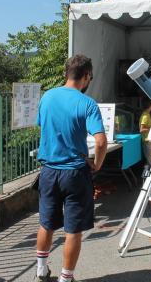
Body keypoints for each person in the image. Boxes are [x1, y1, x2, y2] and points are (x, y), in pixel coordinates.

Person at [34, 54, 107, 282]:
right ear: (86, 76)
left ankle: (41, 270)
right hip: (75, 172)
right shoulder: (87, 103)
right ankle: (66, 278)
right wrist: (96, 164)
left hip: (48, 171)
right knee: (72, 229)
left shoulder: (47, 97)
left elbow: (42, 125)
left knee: (46, 223)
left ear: (67, 73)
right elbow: (101, 141)